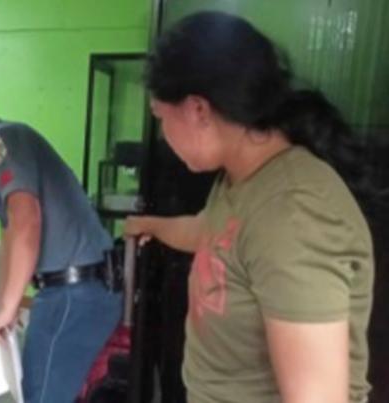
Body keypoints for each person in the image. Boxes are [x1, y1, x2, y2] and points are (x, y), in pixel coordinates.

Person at [124, 11, 374, 403]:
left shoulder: (293, 214)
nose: (163, 134)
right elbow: (209, 232)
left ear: (197, 110)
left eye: (161, 118)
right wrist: (150, 225)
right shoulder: (241, 180)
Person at [0, 88, 122, 403]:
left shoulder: (1, 140)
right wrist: (4, 304)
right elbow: (10, 233)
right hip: (73, 290)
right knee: (35, 389)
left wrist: (6, 307)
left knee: (40, 396)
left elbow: (26, 220)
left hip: (73, 293)